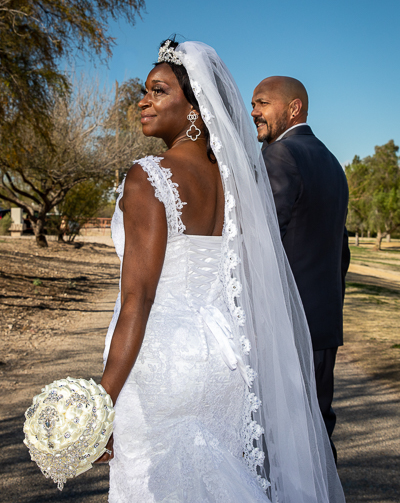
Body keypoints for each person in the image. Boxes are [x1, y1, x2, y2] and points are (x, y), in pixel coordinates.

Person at [97, 42, 346, 502]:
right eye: (145, 91)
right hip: (225, 359)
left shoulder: (147, 175)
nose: (142, 101)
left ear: (195, 107)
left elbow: (139, 298)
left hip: (163, 360)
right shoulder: (239, 181)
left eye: (157, 91)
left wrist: (100, 400)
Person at [251, 76, 350, 461]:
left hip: (285, 326)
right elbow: (340, 253)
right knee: (316, 433)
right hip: (325, 324)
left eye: (262, 103)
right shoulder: (332, 163)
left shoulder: (279, 154)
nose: (254, 112)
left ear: (293, 109)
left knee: (279, 440)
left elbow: (262, 240)